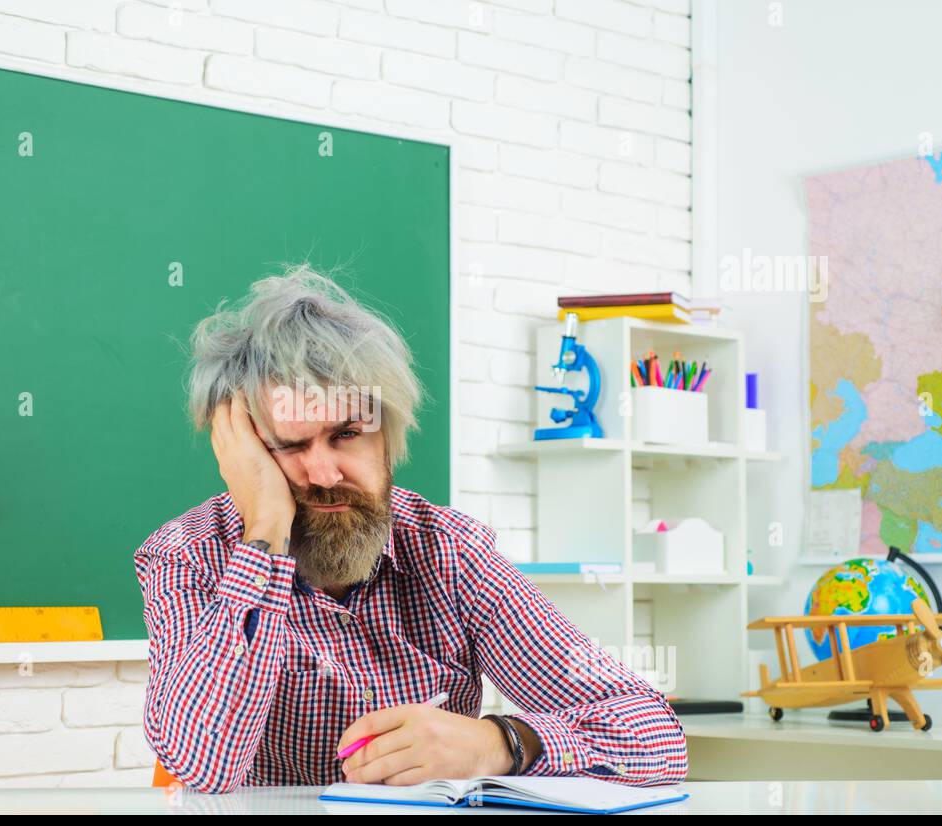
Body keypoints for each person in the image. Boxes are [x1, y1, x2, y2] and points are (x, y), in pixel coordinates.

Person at [134, 265, 688, 793]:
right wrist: (266, 531)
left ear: (387, 435)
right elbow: (201, 765)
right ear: (242, 451)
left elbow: (658, 740)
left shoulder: (450, 552)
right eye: (289, 445)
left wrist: (500, 741)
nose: (324, 474)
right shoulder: (188, 557)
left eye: (347, 434)